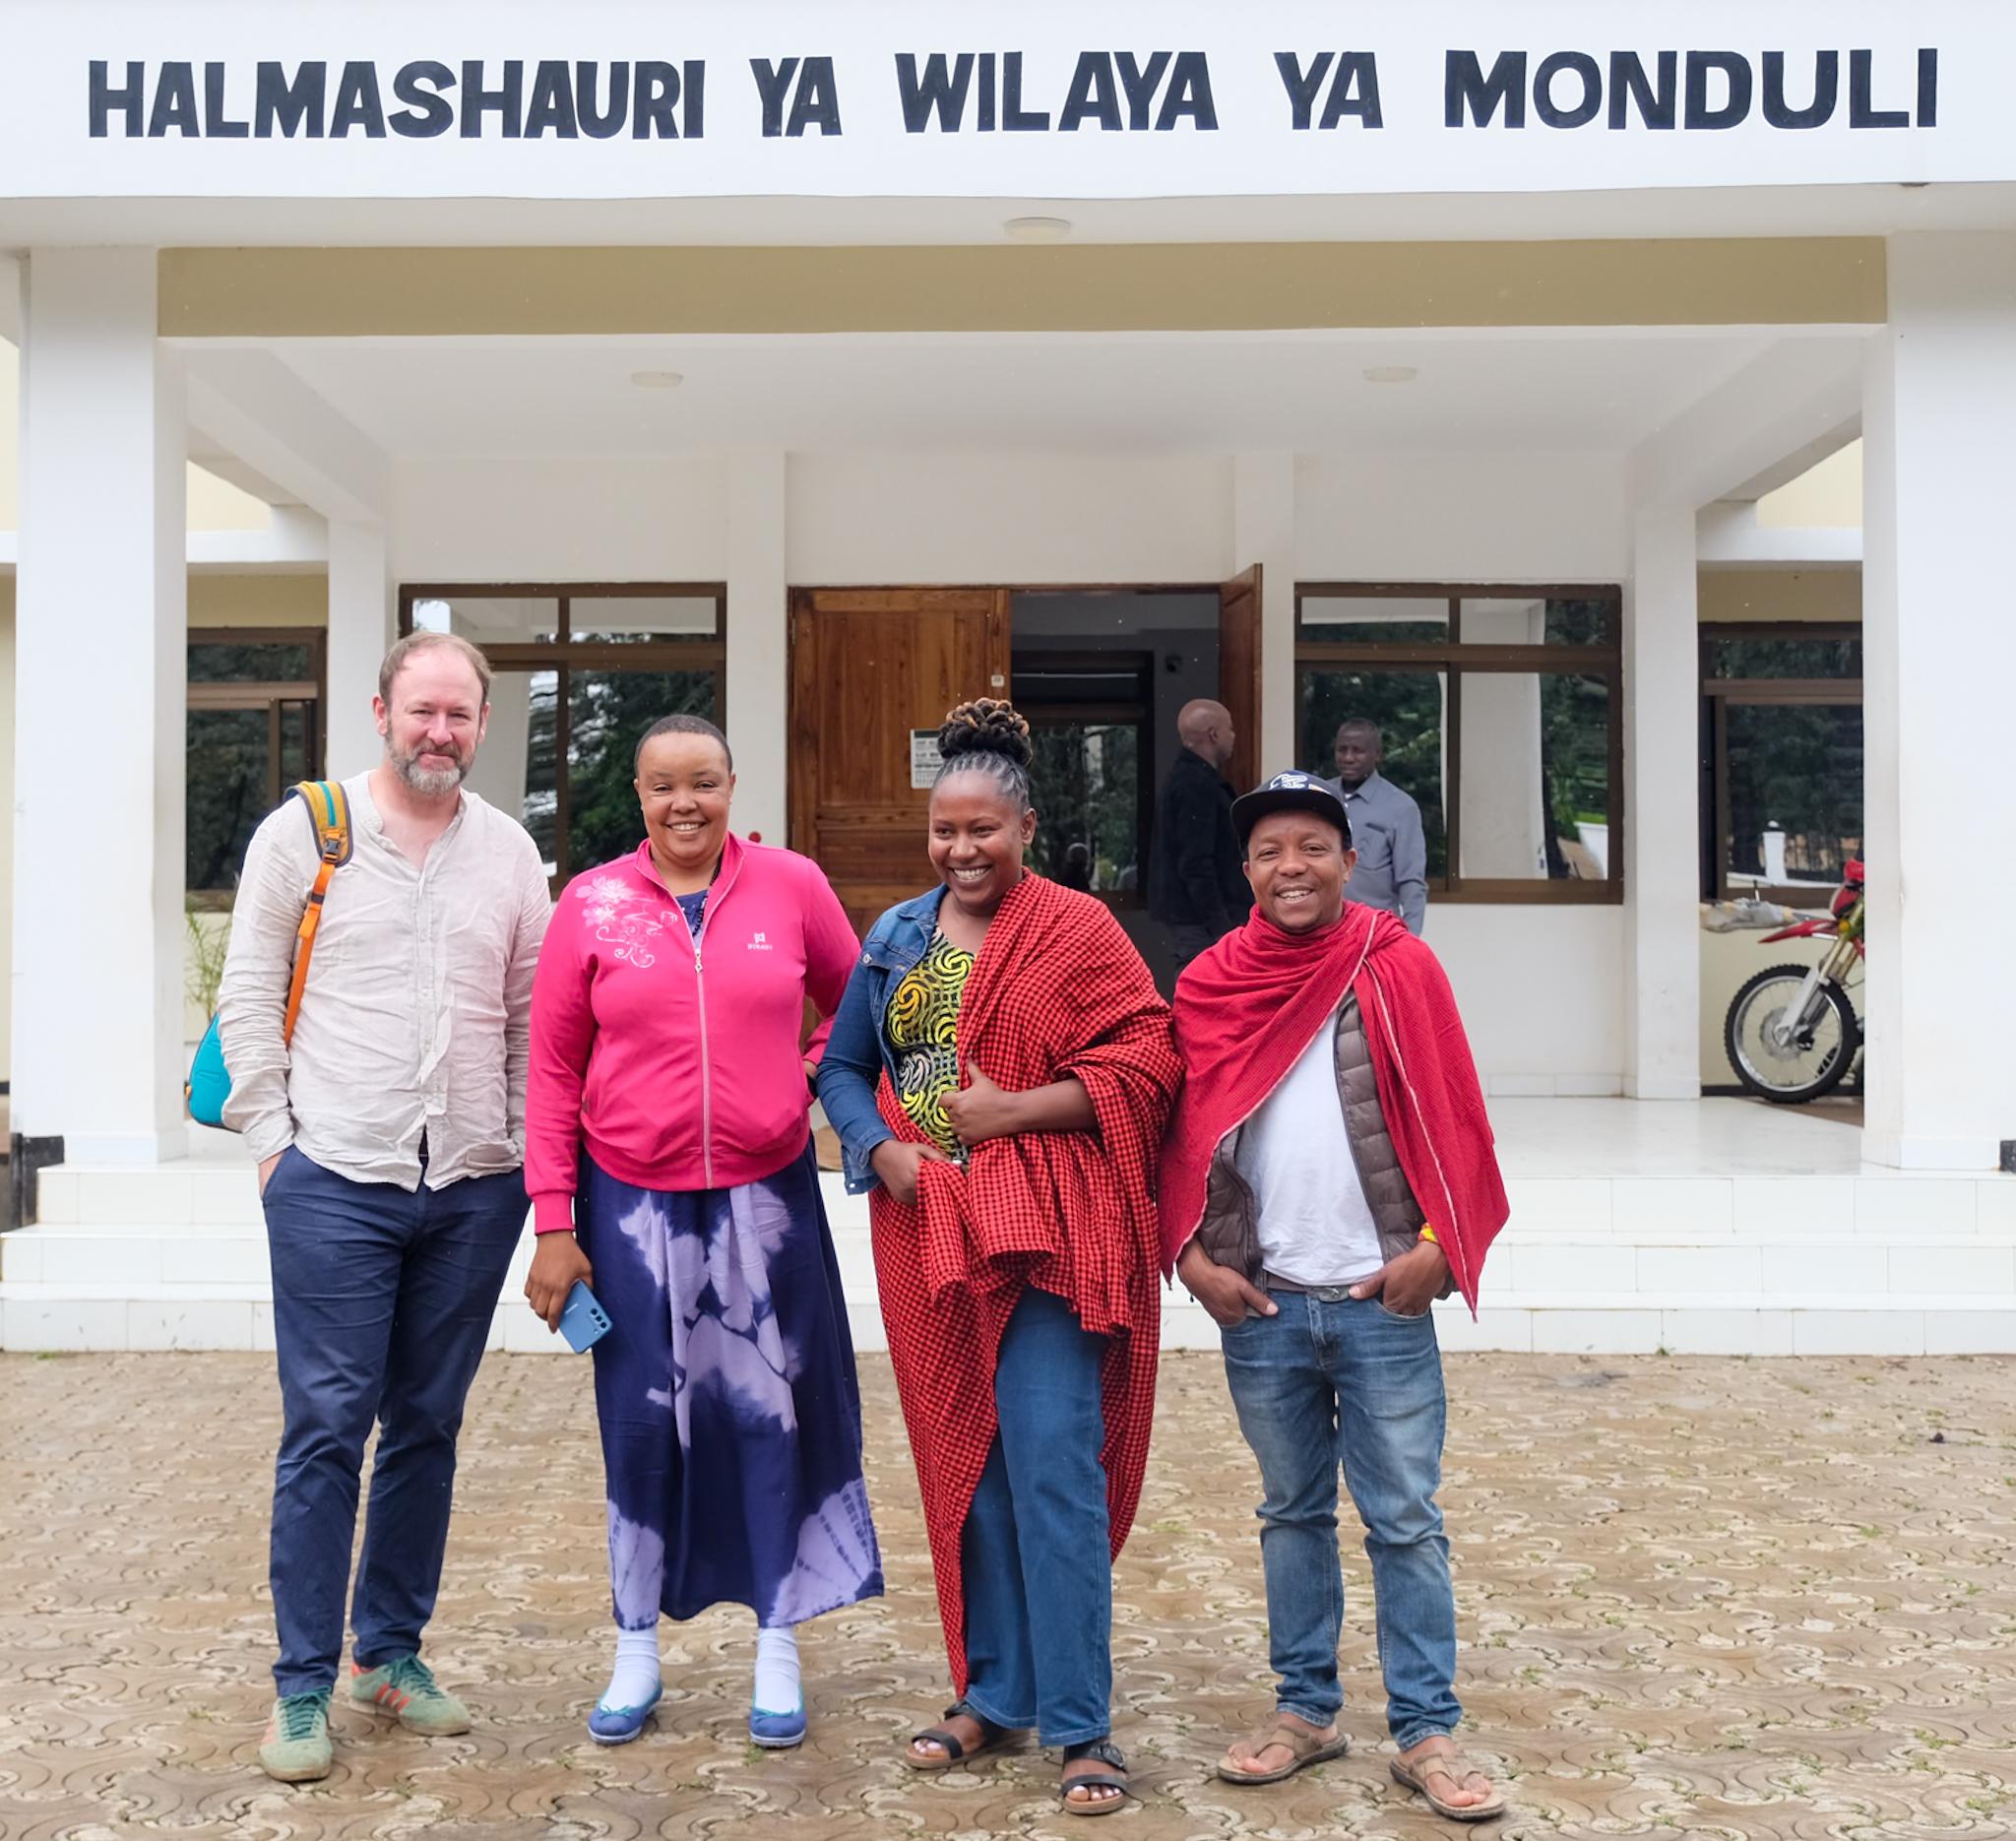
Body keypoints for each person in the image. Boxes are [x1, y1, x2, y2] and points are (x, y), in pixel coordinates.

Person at [816, 699, 1181, 1817]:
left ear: (1024, 827)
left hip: (1050, 1241)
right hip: (927, 1231)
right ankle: (990, 1692)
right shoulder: (893, 938)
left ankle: (1079, 1725)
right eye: (944, 831)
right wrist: (880, 1152)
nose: (961, 849)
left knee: (1050, 1467)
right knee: (963, 1469)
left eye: (982, 829)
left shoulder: (1078, 929)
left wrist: (1013, 1110)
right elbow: (835, 1066)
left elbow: (1147, 1061)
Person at [219, 631, 553, 1784]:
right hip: (334, 1175)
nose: (440, 732)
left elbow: (530, 1022)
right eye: (422, 711)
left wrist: (514, 1158)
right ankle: (302, 1685)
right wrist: (274, 1145)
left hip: (467, 1184)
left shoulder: (510, 854)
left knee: (426, 1427)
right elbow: (248, 993)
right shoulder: (302, 833)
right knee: (324, 1431)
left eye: (461, 714)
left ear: (481, 722)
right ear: (379, 711)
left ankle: (389, 1656)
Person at [522, 713, 881, 1750]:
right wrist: (554, 1220)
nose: (684, 802)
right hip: (627, 1211)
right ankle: (635, 1644)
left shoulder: (792, 887)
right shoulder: (589, 905)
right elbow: (549, 1074)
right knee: (640, 1429)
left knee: (771, 1419)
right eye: (661, 785)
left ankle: (778, 1639)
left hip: (765, 1206)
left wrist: (805, 1077)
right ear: (636, 794)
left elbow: (852, 1009)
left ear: (733, 786)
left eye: (704, 782)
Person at [1159, 770, 1510, 1823]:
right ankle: (1304, 1711)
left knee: (1403, 1519)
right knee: (1288, 1513)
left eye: (1311, 846)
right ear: (1247, 871)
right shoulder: (1211, 982)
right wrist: (1189, 1257)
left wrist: (1440, 1249)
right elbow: (1177, 1136)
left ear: (1348, 862)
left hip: (1378, 1298)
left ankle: (1425, 1731)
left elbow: (1456, 1113)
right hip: (1262, 1302)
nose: (1290, 866)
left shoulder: (1396, 966)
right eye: (1269, 851)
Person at [1149, 697, 1249, 972]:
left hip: (1198, 921)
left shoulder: (1189, 779)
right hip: (1202, 926)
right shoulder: (1196, 785)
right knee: (1207, 1000)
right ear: (1214, 734)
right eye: (1230, 729)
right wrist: (1222, 928)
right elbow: (1195, 862)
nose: (1234, 736)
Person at [1322, 720, 1427, 935]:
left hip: (1374, 932)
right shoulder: (1321, 797)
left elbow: (1411, 882)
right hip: (1322, 932)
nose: (1348, 758)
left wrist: (1411, 938)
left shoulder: (1400, 807)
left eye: (1358, 751)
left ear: (1377, 755)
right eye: (1342, 750)